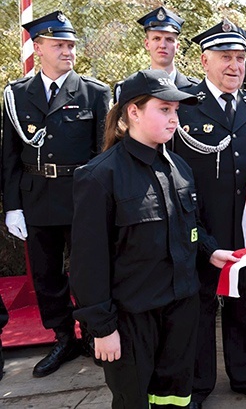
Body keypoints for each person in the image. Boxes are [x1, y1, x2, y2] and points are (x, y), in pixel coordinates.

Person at [70, 69, 234, 408]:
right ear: (134, 111)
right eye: (164, 109)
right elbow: (88, 262)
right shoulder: (100, 176)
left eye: (176, 110)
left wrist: (210, 250)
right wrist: (101, 328)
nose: (175, 119)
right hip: (132, 320)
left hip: (181, 310)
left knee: (175, 397)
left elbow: (190, 225)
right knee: (132, 400)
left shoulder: (179, 167)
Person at [173, 19, 246, 409]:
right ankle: (200, 384)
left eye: (240, 58)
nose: (234, 66)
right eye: (225, 57)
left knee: (243, 307)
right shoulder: (185, 106)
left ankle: (245, 376)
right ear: (205, 61)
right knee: (201, 308)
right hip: (200, 229)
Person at [1, 10, 110, 378]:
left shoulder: (94, 93)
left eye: (71, 45)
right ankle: (64, 337)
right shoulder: (17, 95)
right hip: (37, 197)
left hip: (81, 197)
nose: (68, 51)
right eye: (59, 45)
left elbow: (102, 153)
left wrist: (102, 202)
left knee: (88, 272)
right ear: (39, 47)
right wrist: (12, 206)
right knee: (47, 276)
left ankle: (96, 334)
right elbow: (10, 155)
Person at [113, 6, 199, 102]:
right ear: (147, 44)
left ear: (177, 46)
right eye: (156, 39)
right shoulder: (129, 88)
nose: (162, 45)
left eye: (169, 39)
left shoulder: (196, 90)